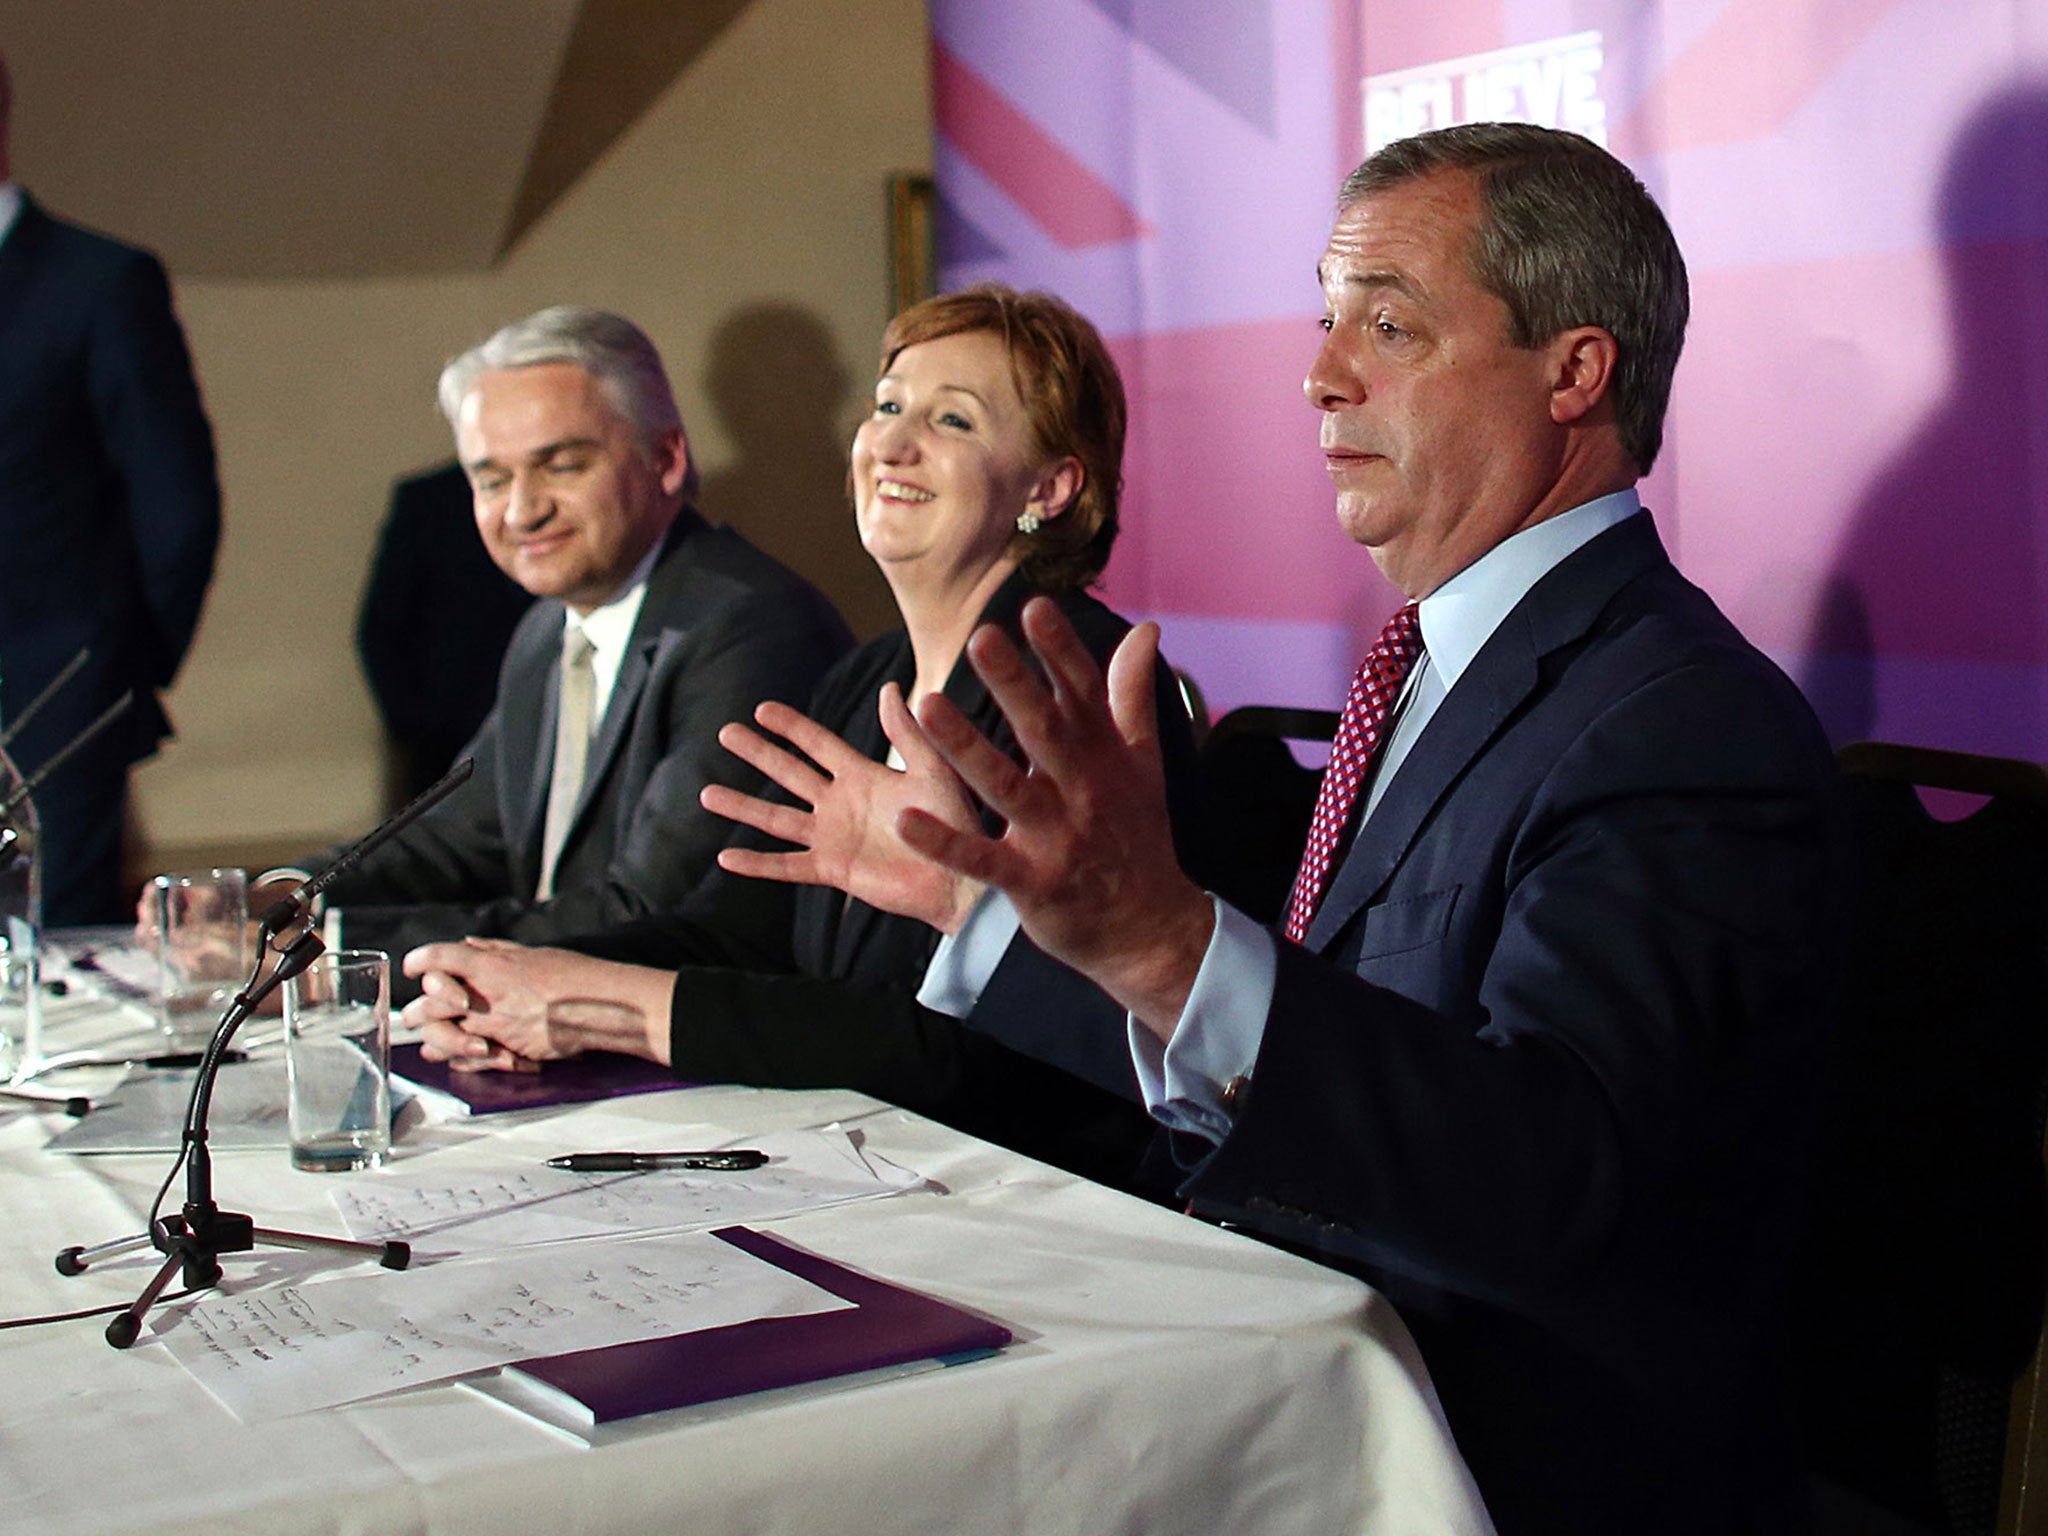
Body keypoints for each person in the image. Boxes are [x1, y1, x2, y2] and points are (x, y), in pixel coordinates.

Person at [706, 127, 1851, 1533]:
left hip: (1498, 1458)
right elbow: (1319, 1077)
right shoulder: (1432, 671)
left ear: (1574, 370)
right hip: (1286, 1365)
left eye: (1388, 325)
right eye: (1325, 320)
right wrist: (988, 919)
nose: (1318, 376)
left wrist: (1174, 948)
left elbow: (1553, 1180)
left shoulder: (1678, 723)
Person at [403, 285, 1196, 1188]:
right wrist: (514, 977)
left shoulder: (1076, 692)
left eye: (952, 420)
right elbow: (737, 929)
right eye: (889, 406)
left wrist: (600, 1005)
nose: (892, 442)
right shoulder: (867, 679)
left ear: (1049, 488)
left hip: (1033, 1198)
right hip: (864, 1173)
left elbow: (974, 1051)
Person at [277, 305, 850, 975]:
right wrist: (282, 897)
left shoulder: (749, 626)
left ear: (664, 458)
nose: (522, 511)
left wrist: (327, 957)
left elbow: (650, 913)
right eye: (492, 480)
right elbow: (457, 839)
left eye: (560, 467)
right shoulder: (547, 630)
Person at [0, 46, 221, 925]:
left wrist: (114, 670)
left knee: (53, 969)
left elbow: (179, 503)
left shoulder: (97, 281)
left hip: (54, 697)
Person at [356, 460, 534, 801]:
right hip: (447, 744)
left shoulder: (562, 498)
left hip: (550, 732)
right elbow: (381, 630)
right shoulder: (430, 500)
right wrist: (418, 727)